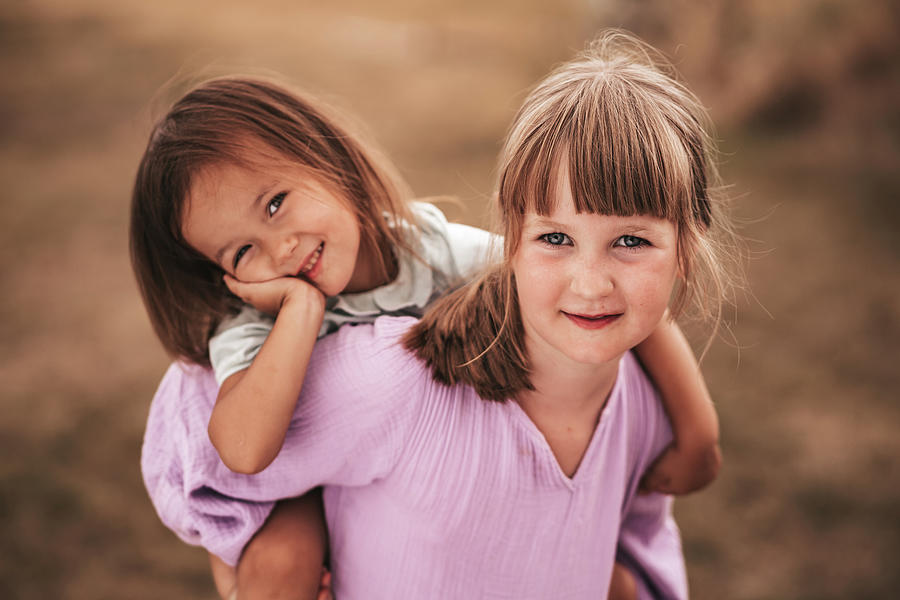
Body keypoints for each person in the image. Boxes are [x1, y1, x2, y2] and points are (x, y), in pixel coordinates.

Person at [134, 33, 731, 597]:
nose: (279, 249)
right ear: (226, 277)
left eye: (275, 203)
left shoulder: (426, 247)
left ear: (328, 160)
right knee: (279, 562)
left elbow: (566, 281)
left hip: (394, 463)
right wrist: (299, 309)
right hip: (283, 473)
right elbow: (235, 453)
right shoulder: (254, 327)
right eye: (242, 253)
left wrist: (696, 427)